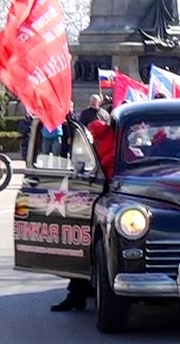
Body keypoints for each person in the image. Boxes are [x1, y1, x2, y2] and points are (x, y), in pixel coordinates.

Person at [51, 118, 116, 312]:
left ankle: (78, 292)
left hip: (103, 204)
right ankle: (80, 290)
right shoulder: (115, 145)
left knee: (81, 247)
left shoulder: (105, 148)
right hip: (98, 203)